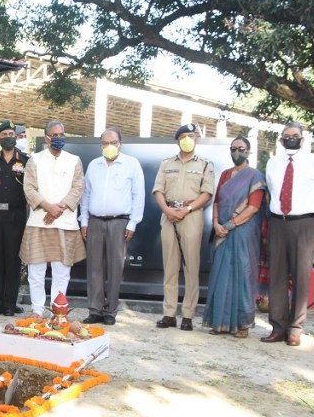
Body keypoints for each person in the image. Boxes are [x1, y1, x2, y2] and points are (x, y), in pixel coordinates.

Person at [262, 122, 314, 346]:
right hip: (278, 223)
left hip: (304, 224)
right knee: (277, 276)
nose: (291, 138)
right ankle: (278, 326)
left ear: (302, 138)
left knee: (301, 277)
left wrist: (311, 225)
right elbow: (273, 194)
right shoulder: (273, 163)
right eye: (287, 135)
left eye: (295, 135)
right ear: (281, 140)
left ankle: (295, 328)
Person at [152, 123, 215, 331]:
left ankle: (188, 315)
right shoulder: (166, 163)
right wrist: (168, 211)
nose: (189, 139)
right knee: (170, 268)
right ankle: (169, 313)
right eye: (185, 136)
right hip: (169, 216)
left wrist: (186, 209)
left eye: (192, 135)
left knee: (191, 267)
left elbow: (206, 194)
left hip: (191, 217)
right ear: (177, 139)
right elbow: (158, 190)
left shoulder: (206, 164)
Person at [79, 128, 145, 325]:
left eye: (113, 142)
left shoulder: (131, 164)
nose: (109, 146)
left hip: (120, 222)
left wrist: (133, 222)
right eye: (105, 143)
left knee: (116, 268)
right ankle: (95, 310)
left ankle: (110, 311)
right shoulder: (94, 165)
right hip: (95, 221)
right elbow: (86, 195)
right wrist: (84, 221)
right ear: (101, 145)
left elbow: (138, 195)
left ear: (120, 144)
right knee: (94, 268)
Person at [19, 121, 85, 317]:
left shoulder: (74, 160)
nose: (58, 138)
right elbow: (29, 188)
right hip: (39, 222)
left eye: (61, 134)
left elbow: (78, 188)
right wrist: (48, 207)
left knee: (61, 271)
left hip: (65, 224)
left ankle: (58, 310)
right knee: (36, 270)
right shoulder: (35, 160)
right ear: (46, 138)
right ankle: (37, 310)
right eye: (54, 135)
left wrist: (59, 208)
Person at [203, 136, 266, 337]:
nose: (237, 151)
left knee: (242, 275)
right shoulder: (225, 175)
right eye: (233, 148)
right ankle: (219, 322)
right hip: (222, 231)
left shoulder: (255, 176)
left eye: (241, 148)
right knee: (221, 275)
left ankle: (242, 325)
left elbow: (254, 207)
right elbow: (217, 202)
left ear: (248, 151)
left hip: (243, 233)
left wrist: (230, 225)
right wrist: (216, 223)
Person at [0, 120, 30, 316]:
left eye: (11, 134)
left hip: (16, 213)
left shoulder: (26, 160)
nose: (8, 137)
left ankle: (10, 303)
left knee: (12, 258)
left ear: (16, 136)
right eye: (4, 135)